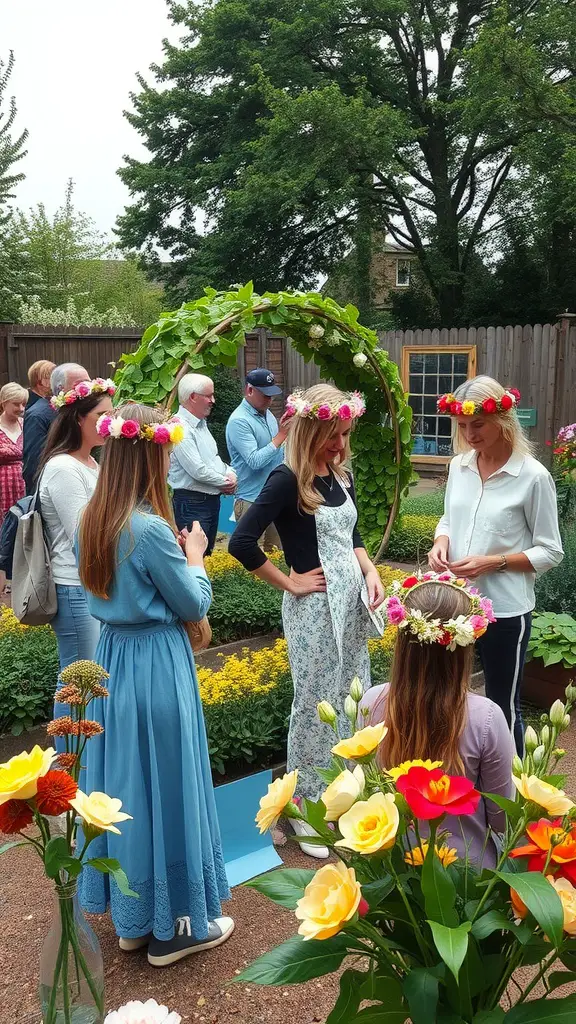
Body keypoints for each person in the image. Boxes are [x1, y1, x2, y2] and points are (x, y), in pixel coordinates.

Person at [77, 403, 233, 966]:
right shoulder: (148, 529)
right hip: (158, 663)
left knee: (128, 786)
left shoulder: (94, 518)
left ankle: (135, 921)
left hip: (113, 660)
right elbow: (193, 602)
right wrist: (195, 556)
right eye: (165, 451)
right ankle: (178, 930)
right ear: (150, 454)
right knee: (168, 784)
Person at [229, 383, 384, 857]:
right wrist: (290, 583)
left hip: (351, 603)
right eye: (332, 436)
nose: (340, 445)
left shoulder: (339, 474)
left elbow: (352, 534)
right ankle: (306, 808)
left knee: (352, 696)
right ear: (310, 430)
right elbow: (241, 542)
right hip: (315, 609)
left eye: (344, 435)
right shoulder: (285, 478)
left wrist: (371, 570)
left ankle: (344, 795)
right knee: (315, 703)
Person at [429, 376, 563, 756]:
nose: (469, 434)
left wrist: (495, 562)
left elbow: (551, 551)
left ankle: (509, 796)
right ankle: (459, 778)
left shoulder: (533, 477)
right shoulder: (460, 467)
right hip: (456, 607)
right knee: (450, 697)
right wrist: (441, 542)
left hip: (505, 611)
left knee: (502, 705)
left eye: (478, 425)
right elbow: (449, 520)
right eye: (462, 426)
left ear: (503, 420)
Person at [362, 574, 515, 868]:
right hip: (466, 873)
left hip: (391, 866)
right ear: (465, 643)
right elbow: (502, 818)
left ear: (403, 641)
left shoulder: (371, 702)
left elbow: (363, 786)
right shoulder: (486, 718)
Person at [38, 377, 115, 684]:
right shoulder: (63, 468)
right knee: (78, 680)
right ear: (79, 418)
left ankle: (86, 733)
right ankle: (68, 735)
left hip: (92, 583)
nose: (108, 422)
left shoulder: (92, 464)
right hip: (73, 585)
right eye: (101, 416)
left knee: (92, 678)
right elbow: (83, 535)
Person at [168, 373, 236, 555]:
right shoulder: (179, 427)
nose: (212, 400)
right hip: (192, 503)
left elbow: (214, 459)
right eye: (208, 396)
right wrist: (226, 482)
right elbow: (197, 470)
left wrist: (230, 473)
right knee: (193, 558)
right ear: (192, 397)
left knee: (204, 555)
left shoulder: (201, 425)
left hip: (208, 501)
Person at [226, 368, 288, 551]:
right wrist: (281, 437)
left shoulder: (267, 413)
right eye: (265, 395)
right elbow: (254, 461)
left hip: (274, 496)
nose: (269, 400)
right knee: (251, 556)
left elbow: (277, 453)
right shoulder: (239, 421)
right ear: (249, 390)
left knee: (277, 554)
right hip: (250, 500)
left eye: (272, 395)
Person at [22, 362, 88, 493]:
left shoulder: (79, 413)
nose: (88, 388)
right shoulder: (38, 415)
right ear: (60, 388)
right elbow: (34, 465)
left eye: (89, 383)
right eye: (81, 384)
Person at [0, 383, 28, 597]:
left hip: (23, 483)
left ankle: (19, 576)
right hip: (3, 484)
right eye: (16, 404)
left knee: (23, 526)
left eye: (23, 403)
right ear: (4, 403)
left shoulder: (25, 424)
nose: (21, 408)